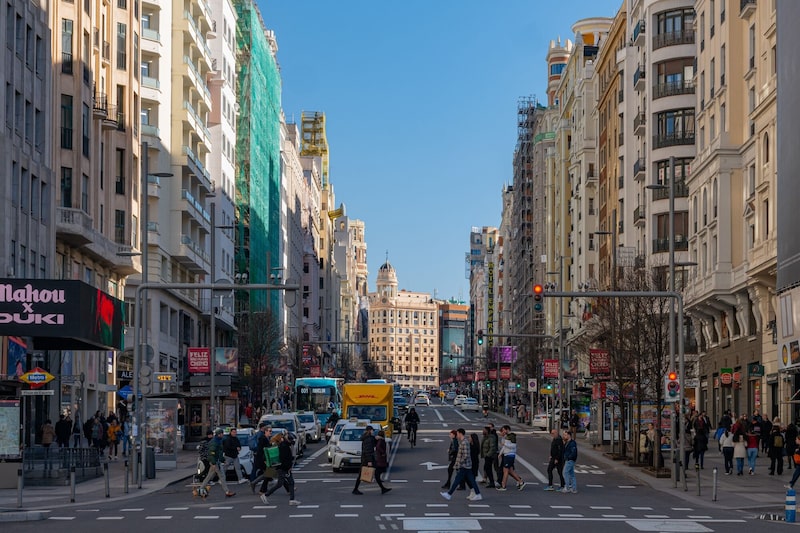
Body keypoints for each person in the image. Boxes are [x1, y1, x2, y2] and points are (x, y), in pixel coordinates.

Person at [440, 428, 482, 501]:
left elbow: (466, 455)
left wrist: (459, 462)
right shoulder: (464, 442)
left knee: (457, 479)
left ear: (460, 433)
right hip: (466, 465)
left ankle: (449, 494)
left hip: (464, 465)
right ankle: (478, 494)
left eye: (457, 434)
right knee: (471, 480)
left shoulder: (464, 443)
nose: (457, 435)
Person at [260, 432, 300, 505]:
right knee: (282, 483)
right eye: (291, 440)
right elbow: (284, 459)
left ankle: (292, 499)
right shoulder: (284, 446)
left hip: (283, 468)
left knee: (287, 483)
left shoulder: (283, 445)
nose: (292, 441)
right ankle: (265, 495)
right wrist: (288, 467)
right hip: (283, 468)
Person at [353, 425, 390, 494]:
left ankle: (382, 488)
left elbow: (373, 442)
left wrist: (377, 438)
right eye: (372, 430)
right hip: (367, 459)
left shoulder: (367, 438)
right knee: (374, 472)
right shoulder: (368, 439)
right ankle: (355, 489)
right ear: (369, 431)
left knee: (372, 472)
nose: (373, 432)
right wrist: (369, 461)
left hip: (366, 458)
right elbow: (368, 450)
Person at [200, 428, 235, 497]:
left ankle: (201, 489)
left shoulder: (218, 440)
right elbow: (212, 453)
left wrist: (222, 460)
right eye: (222, 434)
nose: (223, 435)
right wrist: (213, 463)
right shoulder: (215, 442)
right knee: (221, 476)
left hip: (216, 461)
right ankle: (227, 491)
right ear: (219, 434)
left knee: (209, 476)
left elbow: (219, 453)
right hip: (215, 462)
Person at [497, 425, 525, 491]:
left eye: (504, 430)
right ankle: (520, 481)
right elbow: (504, 446)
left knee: (506, 471)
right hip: (507, 454)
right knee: (510, 471)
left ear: (507, 429)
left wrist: (505, 444)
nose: (503, 431)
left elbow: (513, 446)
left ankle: (503, 486)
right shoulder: (505, 437)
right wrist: (500, 453)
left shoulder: (512, 436)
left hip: (510, 455)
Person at [251, 424, 275, 493]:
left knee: (268, 474)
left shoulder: (266, 438)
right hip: (262, 460)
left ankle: (260, 487)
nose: (271, 432)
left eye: (271, 431)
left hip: (264, 459)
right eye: (269, 431)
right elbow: (262, 450)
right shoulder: (263, 439)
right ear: (265, 431)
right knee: (269, 473)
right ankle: (257, 485)